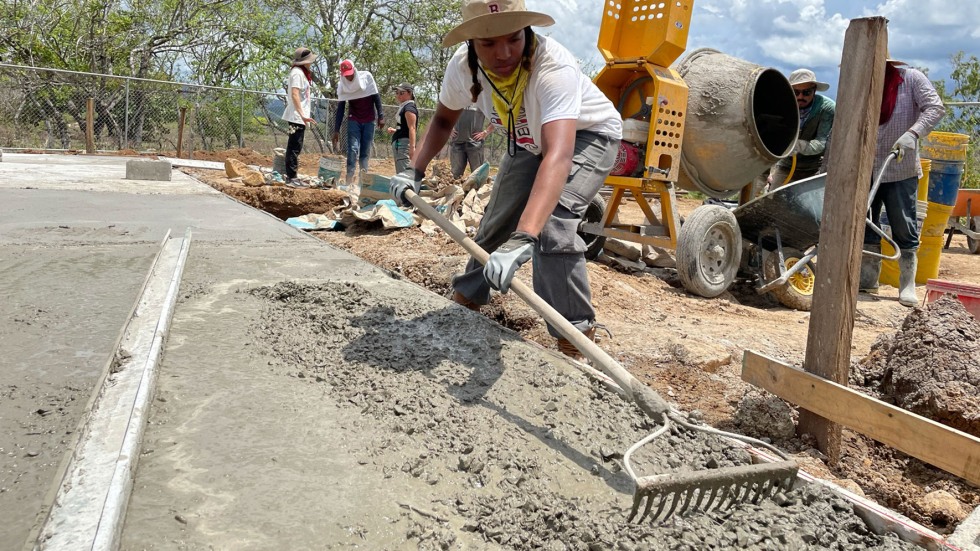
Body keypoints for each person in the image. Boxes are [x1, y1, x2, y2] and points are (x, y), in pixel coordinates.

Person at [389, 0, 622, 360]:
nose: (504, 53)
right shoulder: (462, 70)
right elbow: (442, 121)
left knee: (553, 224)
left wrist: (525, 236)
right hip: (526, 141)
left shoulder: (552, 66)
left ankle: (574, 335)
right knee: (497, 221)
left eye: (513, 39)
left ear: (527, 32)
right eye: (489, 44)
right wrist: (413, 171)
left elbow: (558, 155)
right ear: (471, 43)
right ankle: (468, 295)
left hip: (588, 135)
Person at [859, 55, 945, 306]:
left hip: (899, 167)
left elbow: (935, 108)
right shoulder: (859, 85)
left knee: (903, 225)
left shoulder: (910, 79)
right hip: (865, 168)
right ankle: (867, 279)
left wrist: (913, 133)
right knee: (864, 222)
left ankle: (907, 283)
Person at [767, 69, 836, 189]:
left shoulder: (826, 109)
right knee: (773, 200)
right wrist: (770, 171)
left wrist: (796, 145)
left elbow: (821, 143)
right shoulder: (781, 106)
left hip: (814, 168)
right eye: (796, 92)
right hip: (786, 166)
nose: (801, 97)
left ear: (814, 91)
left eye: (806, 92)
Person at [333, 59, 384, 186]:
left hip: (369, 119)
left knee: (365, 151)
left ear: (354, 70)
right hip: (354, 119)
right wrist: (336, 130)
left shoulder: (366, 77)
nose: (349, 77)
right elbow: (340, 109)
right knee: (352, 149)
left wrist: (381, 115)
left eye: (350, 73)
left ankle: (363, 179)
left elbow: (376, 97)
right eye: (346, 75)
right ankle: (349, 179)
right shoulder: (342, 85)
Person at [281, 47, 318, 187]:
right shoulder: (297, 73)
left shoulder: (301, 73)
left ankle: (293, 176)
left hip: (300, 116)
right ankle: (291, 177)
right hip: (297, 116)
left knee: (296, 145)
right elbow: (295, 94)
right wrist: (302, 114)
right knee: (294, 146)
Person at [450, 105, 495, 179]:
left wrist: (486, 132)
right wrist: (448, 128)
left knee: (477, 175)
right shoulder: (456, 99)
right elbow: (443, 114)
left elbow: (497, 117)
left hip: (475, 145)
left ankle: (476, 190)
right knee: (455, 175)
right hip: (457, 143)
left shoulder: (482, 101)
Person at [385, 83, 419, 173]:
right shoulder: (404, 106)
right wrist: (396, 130)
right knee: (401, 171)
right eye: (397, 93)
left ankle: (407, 186)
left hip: (403, 145)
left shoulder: (409, 108)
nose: (398, 95)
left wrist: (412, 148)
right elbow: (406, 128)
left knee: (404, 173)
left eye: (401, 93)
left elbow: (412, 128)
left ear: (410, 93)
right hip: (399, 142)